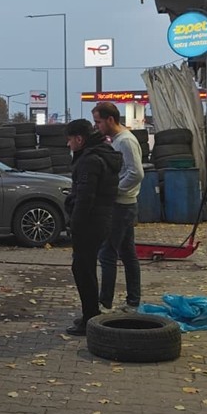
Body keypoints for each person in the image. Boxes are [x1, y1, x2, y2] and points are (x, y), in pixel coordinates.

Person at [63, 118, 122, 336]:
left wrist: (74, 225)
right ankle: (91, 313)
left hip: (90, 223)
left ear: (79, 139)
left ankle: (90, 316)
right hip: (102, 219)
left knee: (82, 269)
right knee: (85, 268)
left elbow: (85, 198)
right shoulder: (105, 154)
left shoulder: (90, 161)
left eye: (69, 140)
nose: (68, 145)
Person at [92, 102, 144, 312]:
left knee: (107, 253)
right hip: (125, 204)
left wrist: (114, 191)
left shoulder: (125, 142)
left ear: (110, 120)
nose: (96, 127)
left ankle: (105, 303)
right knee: (127, 253)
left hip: (121, 205)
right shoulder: (118, 140)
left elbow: (136, 173)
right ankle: (133, 301)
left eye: (98, 122)